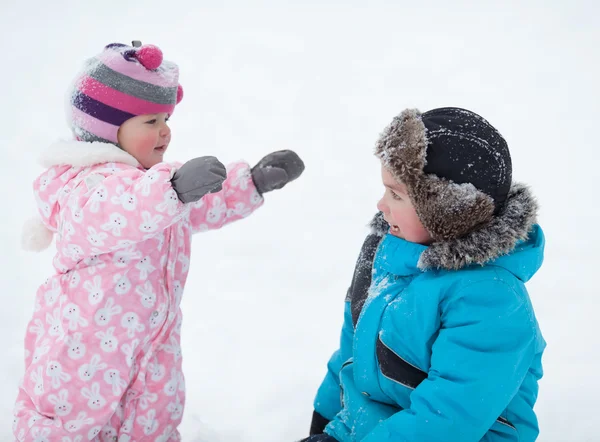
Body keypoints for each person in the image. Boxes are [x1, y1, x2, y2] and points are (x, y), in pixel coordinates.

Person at [14, 40, 304, 441]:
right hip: (85, 344)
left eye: (165, 118)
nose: (165, 131)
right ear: (106, 128)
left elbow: (195, 205)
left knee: (154, 416)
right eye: (150, 122)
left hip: (154, 338)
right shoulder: (84, 185)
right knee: (71, 419)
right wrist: (171, 190)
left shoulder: (156, 185)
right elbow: (120, 209)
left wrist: (249, 182)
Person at [303, 107, 545, 442]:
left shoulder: (491, 298)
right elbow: (353, 352)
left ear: (447, 210)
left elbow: (448, 418)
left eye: (397, 194)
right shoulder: (385, 255)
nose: (381, 205)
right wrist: (326, 419)